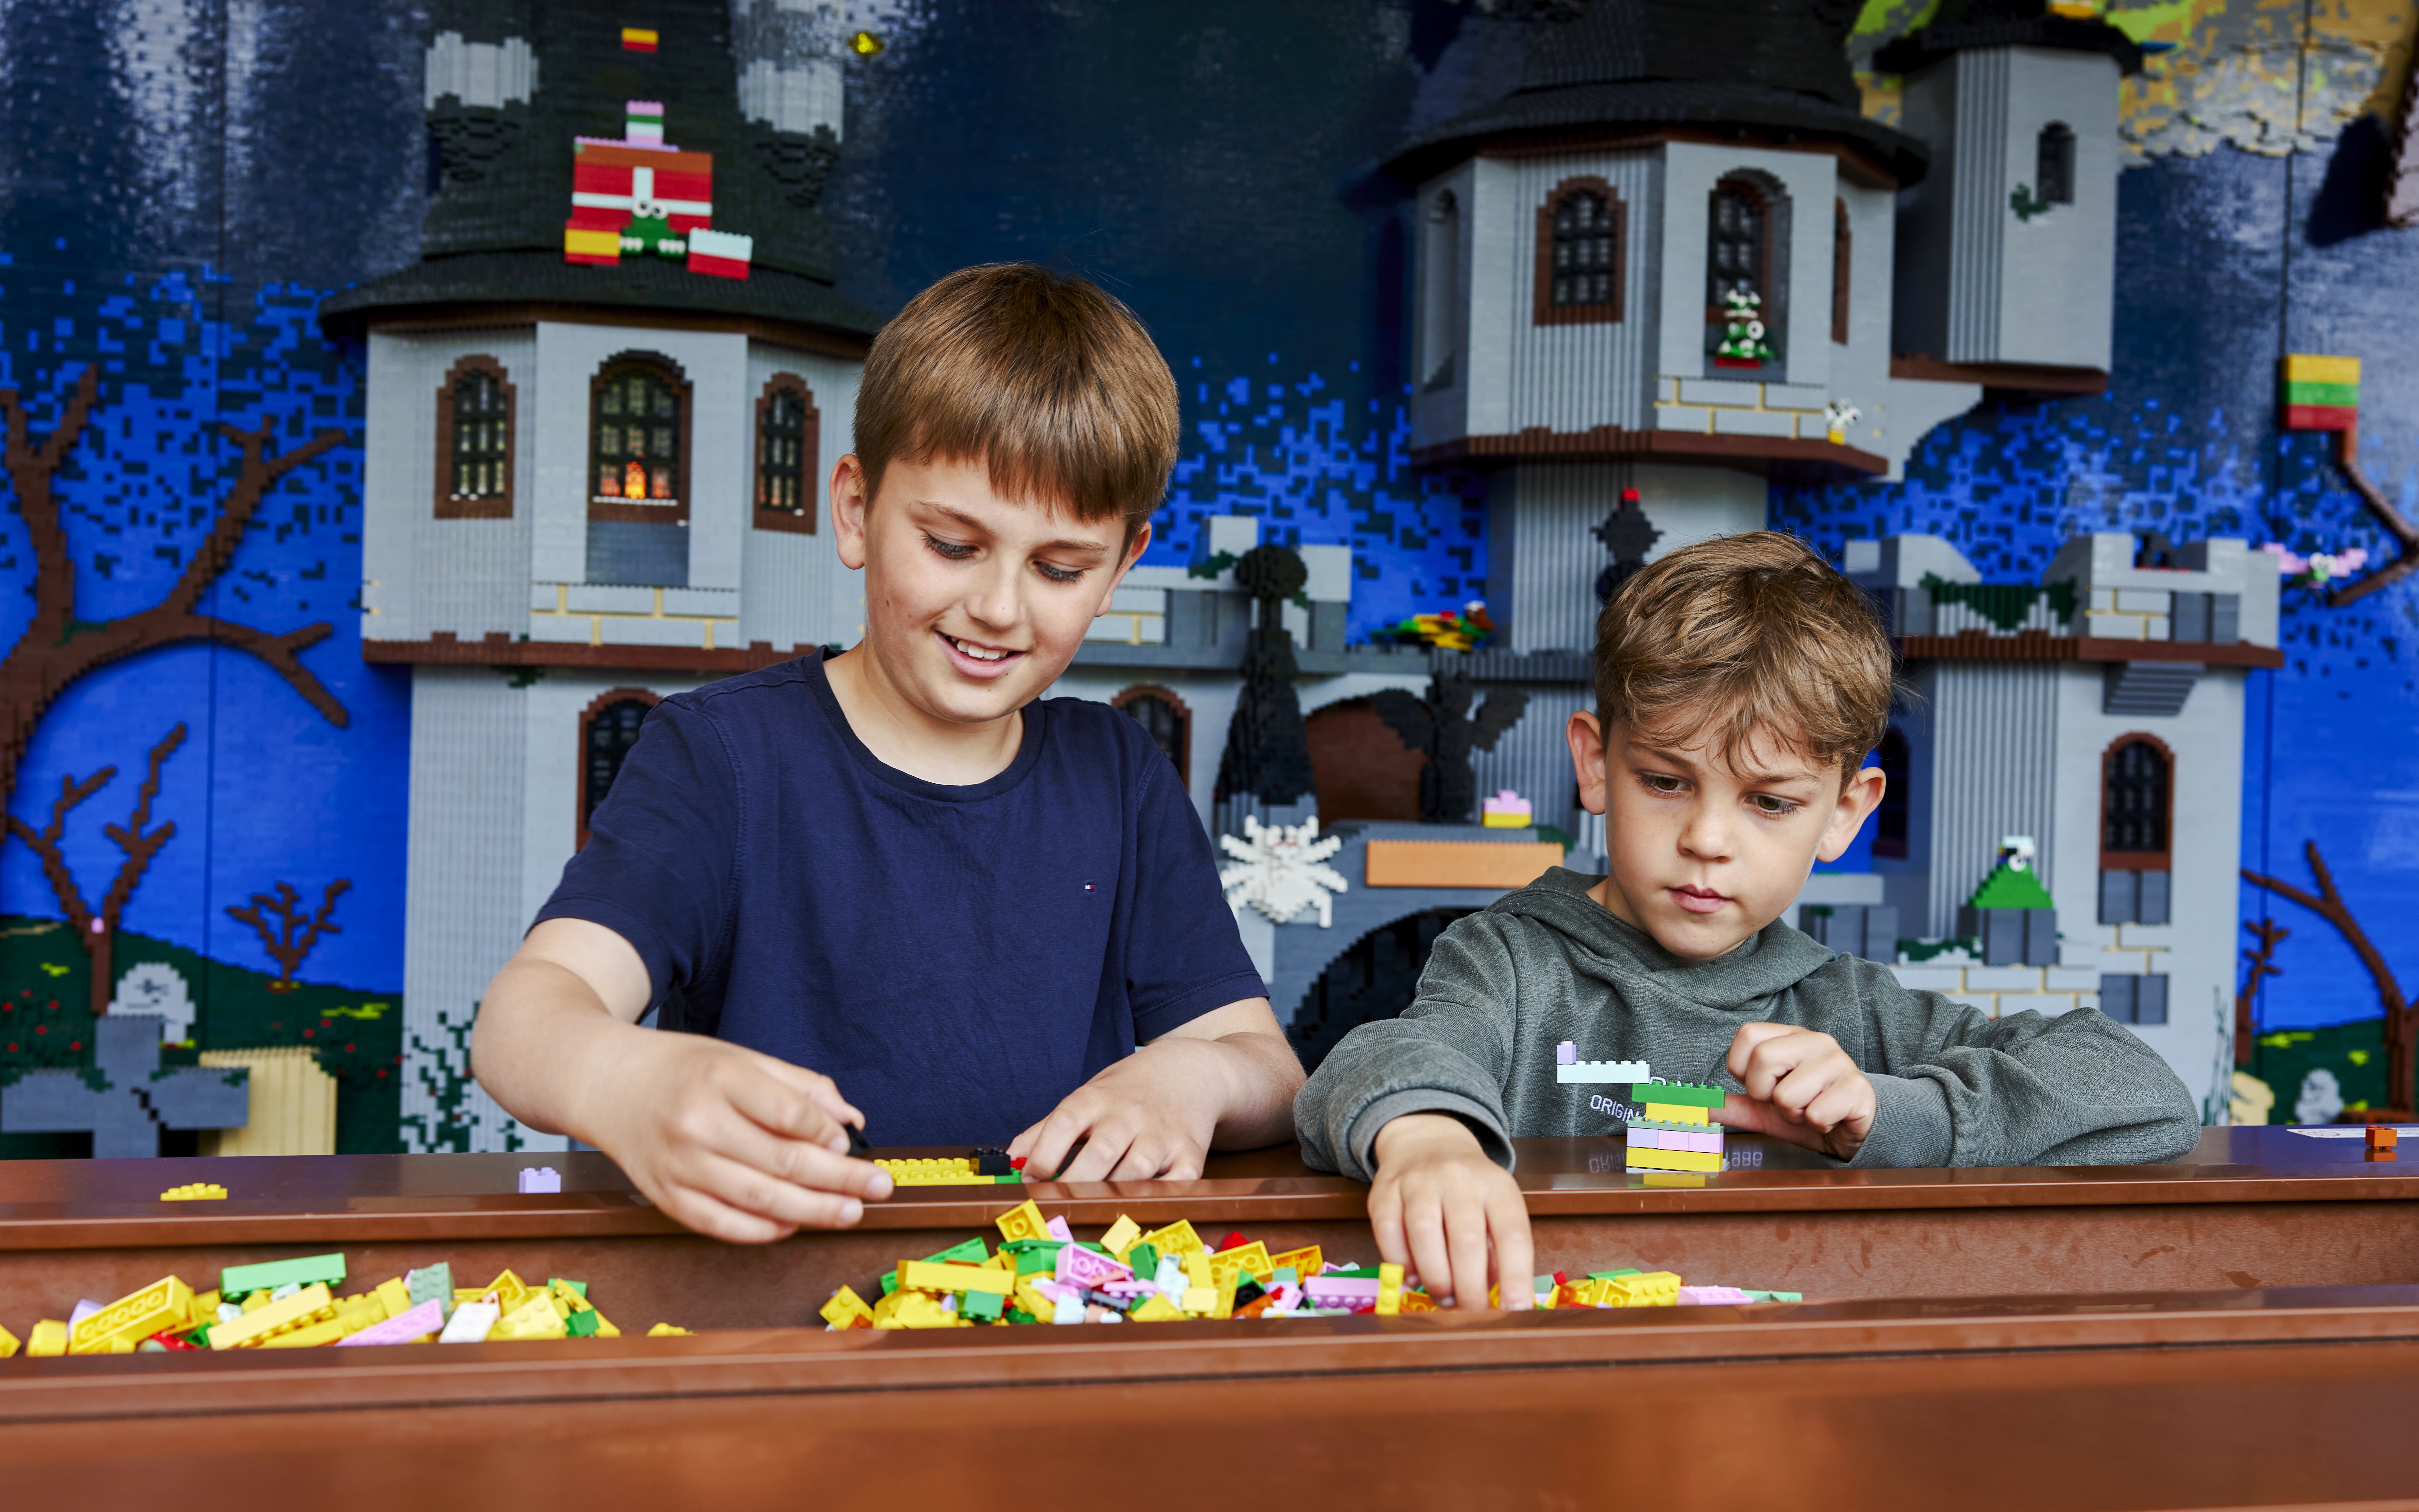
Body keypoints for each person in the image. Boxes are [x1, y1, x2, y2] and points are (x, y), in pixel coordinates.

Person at [474, 264, 1300, 1244]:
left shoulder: (1116, 775)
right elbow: (523, 1019)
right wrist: (626, 1079)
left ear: (1121, 565)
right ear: (857, 508)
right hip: (774, 1323)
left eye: (1058, 567)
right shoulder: (723, 758)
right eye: (952, 544)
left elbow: (1268, 1070)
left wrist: (1193, 1075)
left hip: (1041, 1317)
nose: (998, 607)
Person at [1293, 532, 2200, 1309]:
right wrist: (1428, 1138)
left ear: (1843, 812)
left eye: (1768, 801)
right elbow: (1386, 1052)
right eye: (1664, 780)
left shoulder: (1847, 1011)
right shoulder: (1510, 959)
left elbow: (2139, 1090)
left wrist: (1891, 1112)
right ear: (1595, 763)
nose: (1706, 839)